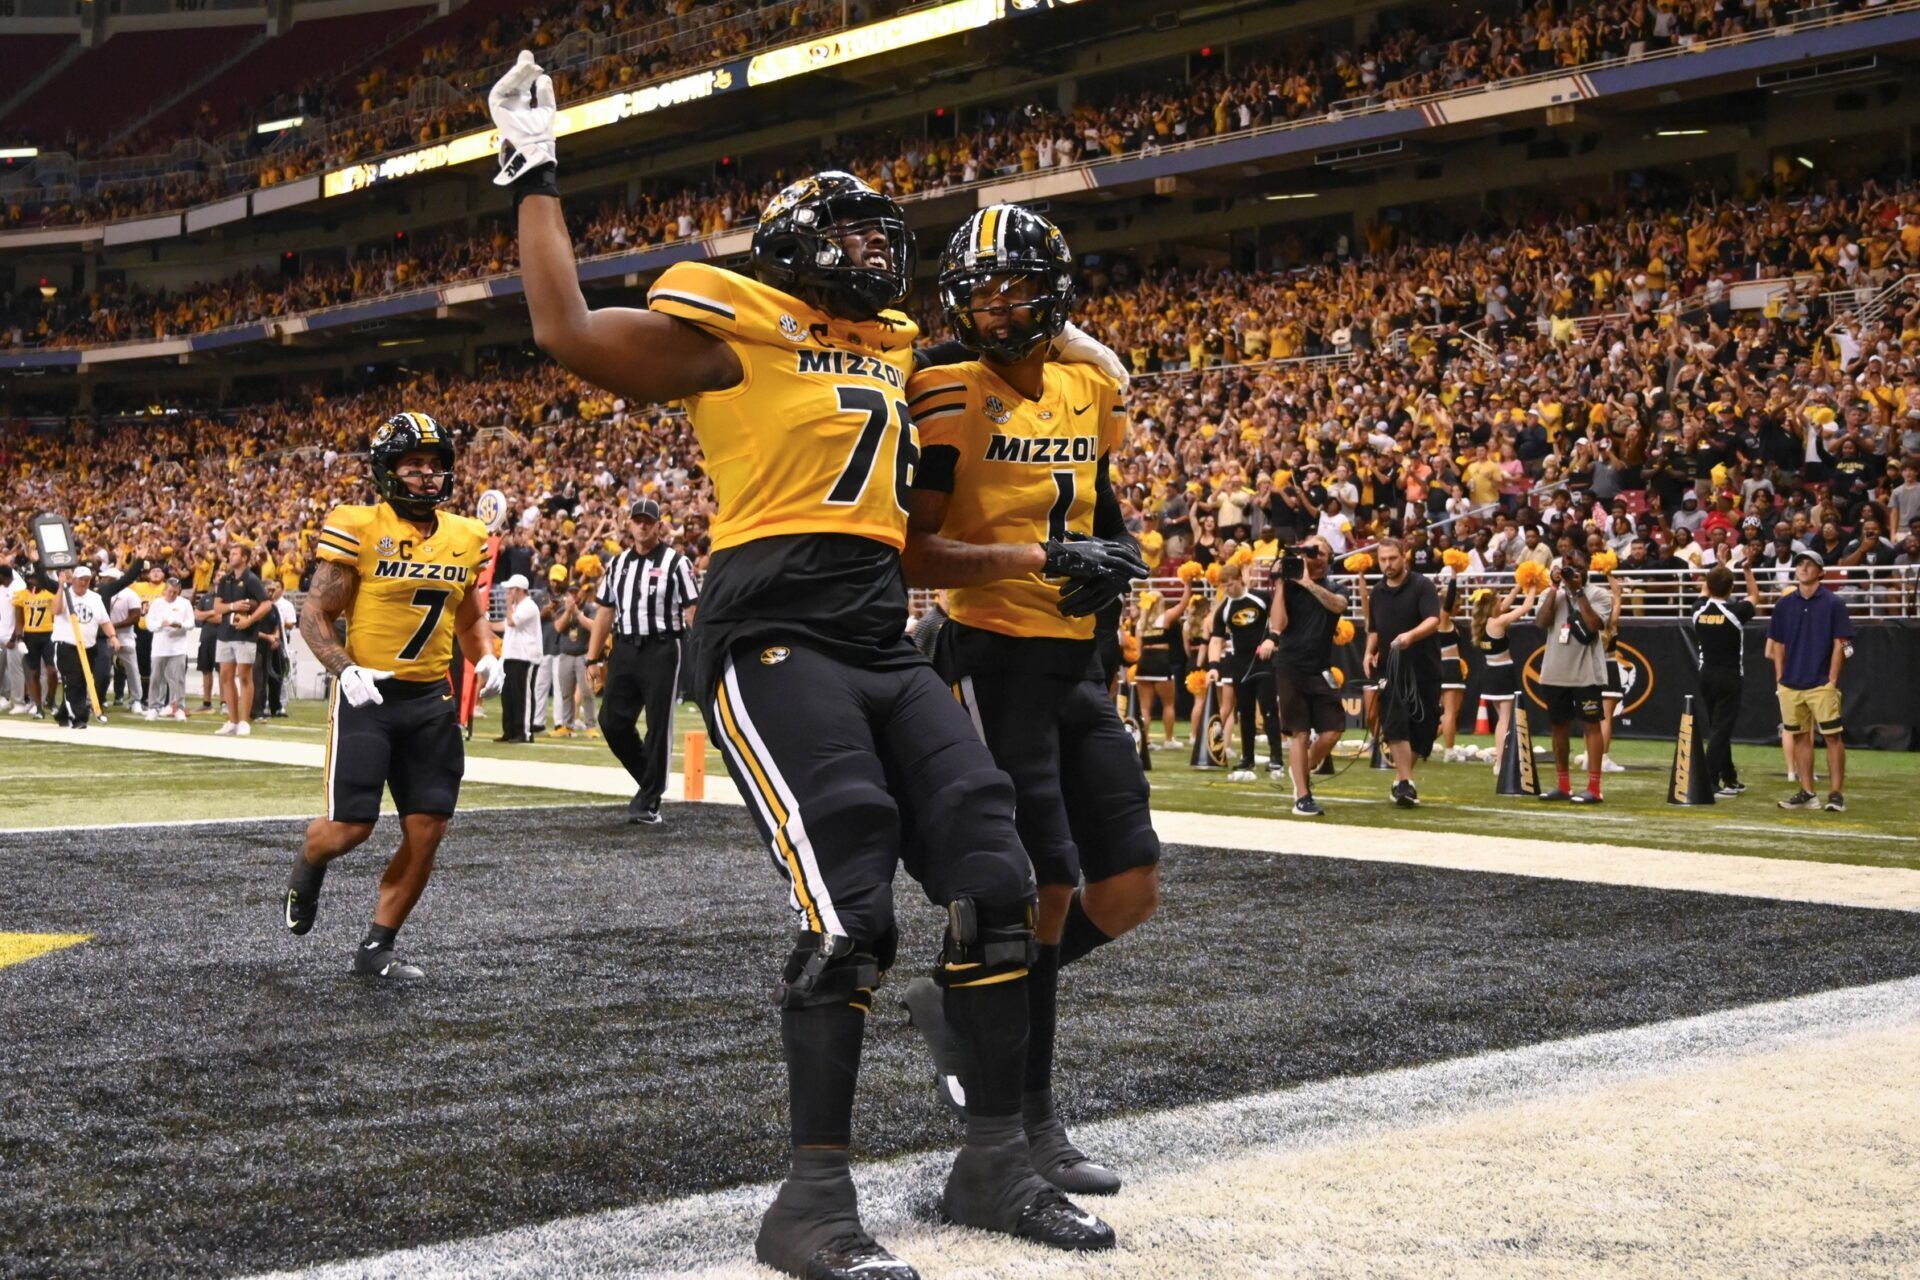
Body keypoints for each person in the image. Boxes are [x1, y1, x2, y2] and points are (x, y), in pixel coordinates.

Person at [500, 50, 1117, 1275]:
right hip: (773, 634)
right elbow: (565, 329)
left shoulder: (895, 346)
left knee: (996, 879)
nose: (870, 249)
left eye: (879, 233)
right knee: (852, 911)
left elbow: (943, 484)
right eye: (845, 228)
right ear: (788, 238)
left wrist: (1039, 552)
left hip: (883, 638)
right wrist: (532, 168)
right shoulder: (739, 328)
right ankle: (810, 1202)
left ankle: (992, 1159)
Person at [897, 203, 1156, 1198]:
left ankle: (965, 996)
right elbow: (914, 549)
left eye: (1017, 288)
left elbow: (1098, 492)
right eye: (982, 289)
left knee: (1125, 889)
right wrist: (1039, 554)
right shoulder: (947, 386)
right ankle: (1033, 1124)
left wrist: (1114, 554)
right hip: (990, 649)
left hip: (1073, 661)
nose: (997, 307)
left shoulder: (1087, 379)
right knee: (1041, 889)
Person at [281, 411, 505, 980]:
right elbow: (317, 613)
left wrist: (487, 656)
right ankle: (309, 864)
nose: (428, 477)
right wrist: (345, 670)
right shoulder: (358, 524)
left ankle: (378, 945)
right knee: (348, 830)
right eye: (413, 466)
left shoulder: (467, 535)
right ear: (386, 471)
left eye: (435, 467)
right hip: (368, 698)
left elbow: (468, 617)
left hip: (431, 700)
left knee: (427, 831)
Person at [584, 497, 698, 824]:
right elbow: (605, 611)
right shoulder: (618, 564)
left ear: (659, 525)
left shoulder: (677, 563)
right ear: (629, 524)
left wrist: (704, 649)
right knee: (611, 721)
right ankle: (650, 782)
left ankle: (648, 801)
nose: (643, 525)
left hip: (662, 648)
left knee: (658, 725)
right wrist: (593, 657)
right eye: (638, 520)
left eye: (649, 520)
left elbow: (692, 610)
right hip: (624, 649)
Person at [1265, 535, 1348, 817]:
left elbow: (1338, 605)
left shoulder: (1336, 585)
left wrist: (1307, 583)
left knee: (1333, 731)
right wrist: (1280, 583)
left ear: (1329, 558)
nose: (1314, 557)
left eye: (1319, 552)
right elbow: (1278, 624)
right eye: (1310, 552)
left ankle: (1300, 768)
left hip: (1320, 667)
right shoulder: (1288, 586)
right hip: (1290, 664)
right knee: (1298, 732)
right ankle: (1303, 796)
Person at [1767, 549, 1854, 813]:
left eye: (1809, 564)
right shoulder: (1783, 604)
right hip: (1791, 683)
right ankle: (1807, 792)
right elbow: (1777, 644)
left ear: (1820, 571)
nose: (1802, 568)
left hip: (1820, 683)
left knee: (1832, 737)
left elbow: (1842, 643)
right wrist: (1780, 678)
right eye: (1799, 564)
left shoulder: (1833, 603)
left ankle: (1836, 793)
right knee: (1801, 737)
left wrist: (1832, 679)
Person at [1364, 539, 1442, 807]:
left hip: (1424, 668)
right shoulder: (1377, 592)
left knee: (1425, 727)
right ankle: (1406, 783)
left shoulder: (1422, 585)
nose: (1387, 564)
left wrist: (1410, 636)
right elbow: (1374, 628)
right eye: (1383, 559)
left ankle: (1401, 780)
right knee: (1395, 723)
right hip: (1391, 669)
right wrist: (1368, 652)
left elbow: (1434, 620)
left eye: (1392, 558)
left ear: (1403, 558)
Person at [1532, 550, 1612, 804]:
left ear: (1587, 567)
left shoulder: (1599, 594)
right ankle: (1563, 784)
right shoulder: (1552, 593)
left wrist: (1578, 592)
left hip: (1586, 673)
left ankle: (1594, 787)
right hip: (1555, 672)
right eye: (1568, 567)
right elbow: (1541, 622)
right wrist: (1555, 588)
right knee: (1558, 727)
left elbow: (1594, 625)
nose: (1572, 571)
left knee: (1592, 726)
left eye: (1577, 567)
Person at [1207, 560, 1281, 783]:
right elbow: (1216, 639)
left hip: (1264, 661)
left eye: (1231, 584)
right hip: (1240, 664)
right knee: (1245, 713)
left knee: (1268, 709)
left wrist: (1272, 639)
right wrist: (1213, 666)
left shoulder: (1260, 597)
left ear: (1240, 579)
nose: (1228, 589)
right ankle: (1247, 756)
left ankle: (1276, 756)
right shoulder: (1225, 608)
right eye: (1224, 586)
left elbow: (1278, 619)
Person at [1691, 563, 1760, 798]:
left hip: (1706, 676)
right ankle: (1709, 782)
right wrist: (1748, 570)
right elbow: (1754, 596)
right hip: (1729, 677)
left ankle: (1729, 777)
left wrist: (1719, 565)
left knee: (1719, 728)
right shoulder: (1735, 612)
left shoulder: (1698, 610)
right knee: (1720, 730)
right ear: (1731, 588)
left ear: (1708, 586)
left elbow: (1704, 591)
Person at [1469, 583, 1537, 770]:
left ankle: (1504, 758)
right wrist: (1532, 585)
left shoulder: (1483, 623)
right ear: (1492, 606)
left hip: (1491, 672)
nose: (1501, 603)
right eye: (1498, 601)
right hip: (1503, 673)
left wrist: (1517, 588)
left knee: (1503, 718)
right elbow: (1526, 607)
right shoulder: (1497, 622)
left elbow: (1505, 606)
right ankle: (1500, 761)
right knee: (1505, 719)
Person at [49, 565, 119, 730]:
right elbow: (56, 610)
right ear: (73, 580)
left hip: (88, 646)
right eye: (81, 579)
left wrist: (113, 637)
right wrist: (60, 586)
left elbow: (105, 620)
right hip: (67, 645)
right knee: (73, 681)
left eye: (87, 580)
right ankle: (79, 718)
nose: (84, 583)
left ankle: (63, 714)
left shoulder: (95, 598)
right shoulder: (65, 595)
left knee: (81, 681)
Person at [211, 544, 269, 737]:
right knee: (225, 677)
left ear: (244, 558)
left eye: (235, 553)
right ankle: (233, 720)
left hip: (245, 634)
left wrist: (250, 620)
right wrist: (233, 606)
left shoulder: (252, 579)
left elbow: (267, 604)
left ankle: (244, 721)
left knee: (244, 676)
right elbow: (217, 607)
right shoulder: (225, 579)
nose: (230, 556)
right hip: (225, 633)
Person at [1131, 583, 1187, 748]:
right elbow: (1183, 604)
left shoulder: (1140, 623)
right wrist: (1188, 585)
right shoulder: (1165, 617)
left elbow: (1138, 649)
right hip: (1161, 662)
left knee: (1144, 707)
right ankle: (1169, 740)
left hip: (1144, 663)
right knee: (1168, 703)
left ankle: (1145, 741)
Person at [549, 575, 599, 740]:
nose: (574, 595)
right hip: (566, 654)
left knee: (587, 692)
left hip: (584, 654)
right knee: (566, 692)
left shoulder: (590, 609)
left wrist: (577, 613)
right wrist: (569, 612)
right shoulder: (564, 609)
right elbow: (558, 627)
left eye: (576, 592)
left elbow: (594, 627)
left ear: (582, 594)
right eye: (571, 593)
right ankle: (567, 725)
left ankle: (590, 725)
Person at [494, 574, 541, 743]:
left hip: (525, 657)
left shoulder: (528, 606)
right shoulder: (517, 607)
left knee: (522, 696)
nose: (508, 592)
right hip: (512, 655)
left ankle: (524, 732)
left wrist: (507, 605)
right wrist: (484, 625)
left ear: (519, 590)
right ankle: (510, 731)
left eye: (511, 589)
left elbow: (512, 623)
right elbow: (504, 625)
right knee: (508, 696)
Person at [143, 576, 195, 720]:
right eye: (170, 591)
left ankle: (177, 707)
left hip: (178, 648)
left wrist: (180, 624)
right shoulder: (156, 604)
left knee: (177, 679)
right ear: (165, 590)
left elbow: (191, 623)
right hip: (159, 647)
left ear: (179, 591)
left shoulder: (185, 603)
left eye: (175, 592)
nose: (172, 594)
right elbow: (149, 625)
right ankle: (154, 707)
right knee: (156, 678)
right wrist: (162, 624)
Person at [14, 565, 55, 718]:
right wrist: (19, 638)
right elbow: (19, 620)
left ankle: (51, 700)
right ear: (29, 579)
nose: (37, 580)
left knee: (52, 671)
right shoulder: (22, 595)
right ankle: (38, 707)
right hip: (30, 637)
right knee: (34, 673)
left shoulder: (49, 594)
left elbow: (56, 614)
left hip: (48, 635)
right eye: (34, 578)